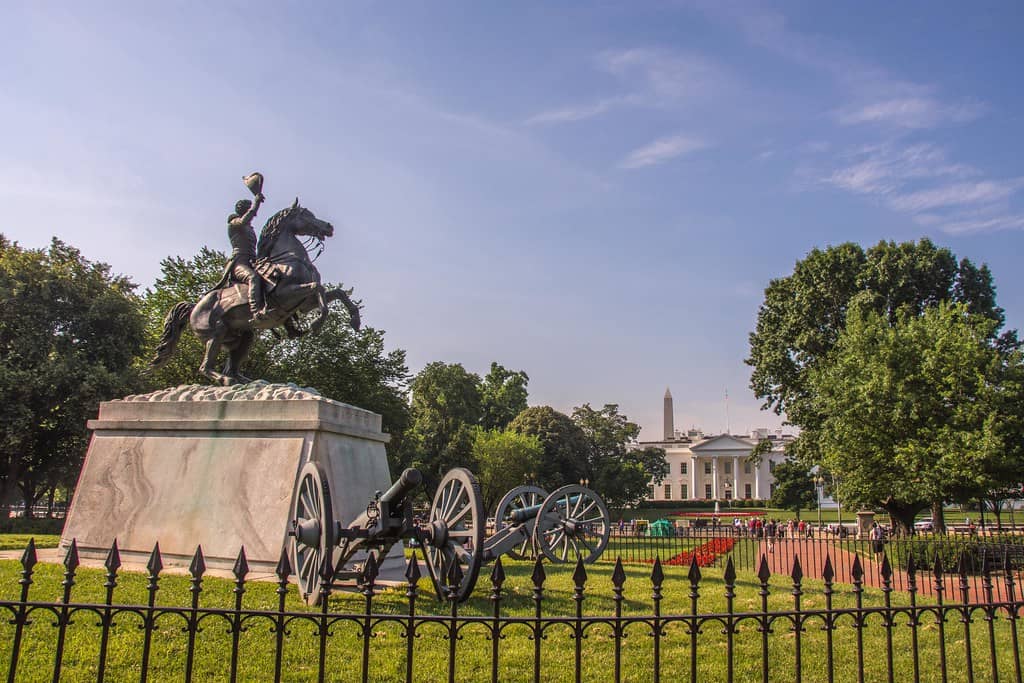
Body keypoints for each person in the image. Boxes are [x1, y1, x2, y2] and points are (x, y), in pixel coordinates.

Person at [225, 192, 268, 322]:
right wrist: (256, 203)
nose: (252, 212)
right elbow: (245, 219)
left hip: (252, 261)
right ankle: (255, 311)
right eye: (248, 209)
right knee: (253, 278)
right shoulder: (234, 223)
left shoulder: (249, 228)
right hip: (239, 262)